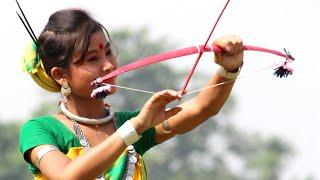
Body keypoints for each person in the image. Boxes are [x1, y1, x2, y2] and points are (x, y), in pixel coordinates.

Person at [19, 8, 243, 180]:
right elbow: (66, 176)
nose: (108, 65)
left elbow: (203, 108)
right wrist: (135, 128)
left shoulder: (128, 124)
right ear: (60, 75)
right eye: (92, 59)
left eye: (108, 52)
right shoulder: (39, 130)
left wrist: (228, 70)